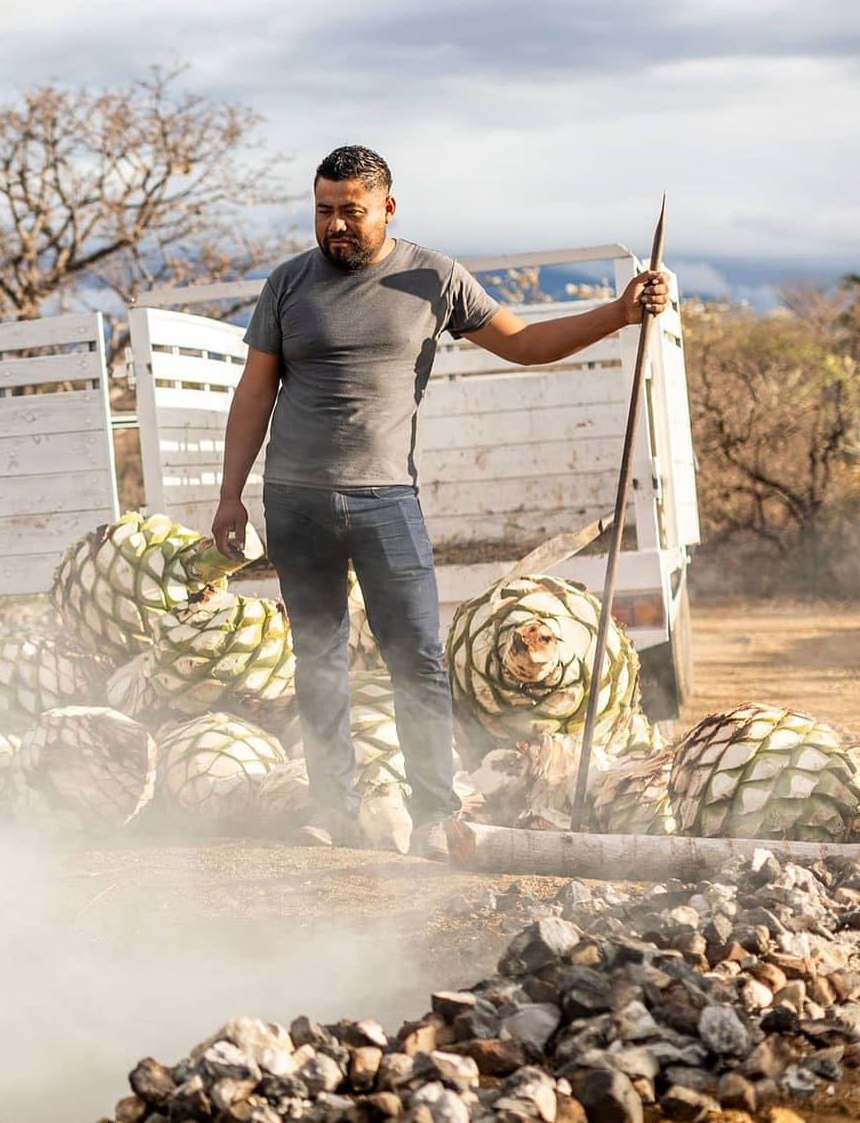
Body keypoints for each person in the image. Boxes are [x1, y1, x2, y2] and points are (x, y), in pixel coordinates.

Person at [209, 145, 670, 860]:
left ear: (388, 208)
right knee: (317, 657)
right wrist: (230, 493)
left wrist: (617, 312)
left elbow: (524, 342)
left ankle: (434, 813)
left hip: (386, 499)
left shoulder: (434, 278)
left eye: (351, 213)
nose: (335, 226)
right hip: (294, 499)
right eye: (324, 211)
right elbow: (254, 391)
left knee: (418, 657)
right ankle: (331, 810)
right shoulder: (287, 284)